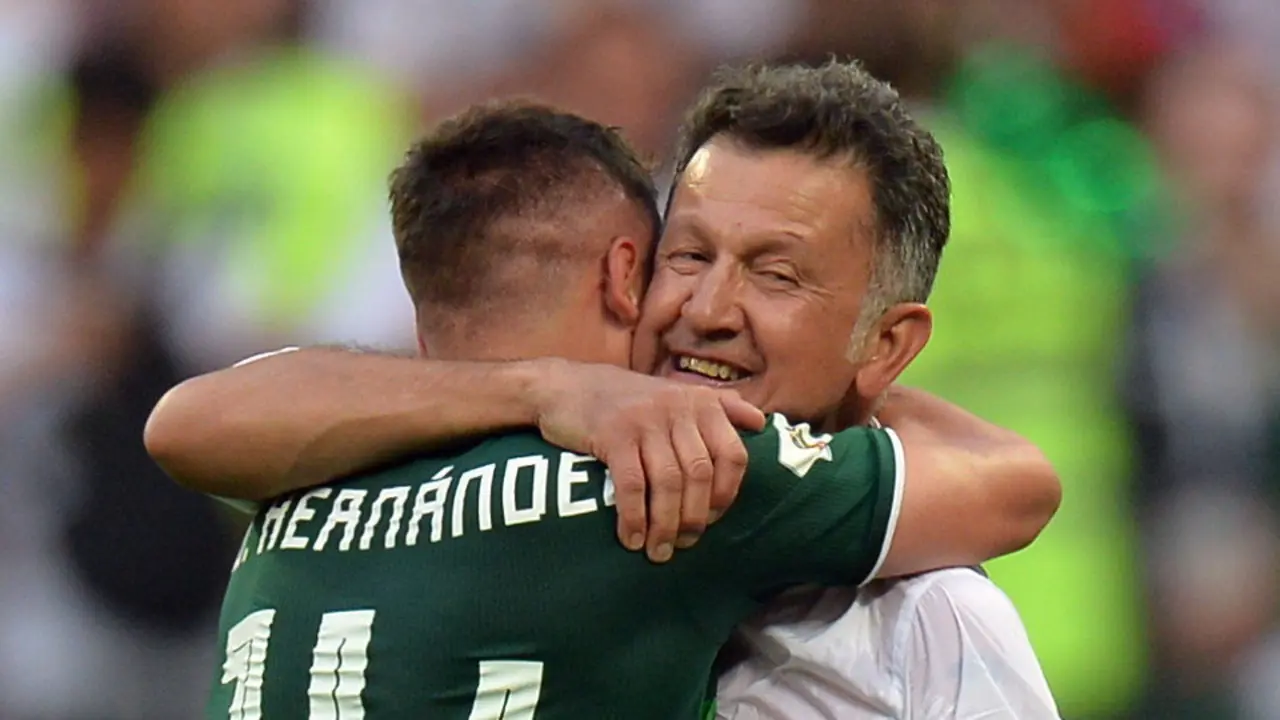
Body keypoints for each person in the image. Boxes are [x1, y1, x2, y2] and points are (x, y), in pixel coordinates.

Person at [147, 62, 1061, 718]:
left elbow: (195, 418)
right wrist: (552, 388)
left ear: (888, 342)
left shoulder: (934, 615)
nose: (707, 308)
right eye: (690, 255)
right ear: (634, 273)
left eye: (776, 275)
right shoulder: (651, 483)